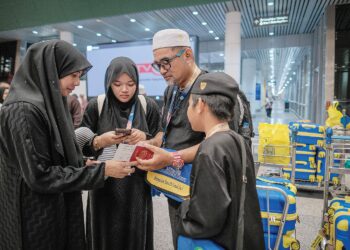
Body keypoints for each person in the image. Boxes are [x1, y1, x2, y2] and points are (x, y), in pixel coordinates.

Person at [0, 40, 135, 250]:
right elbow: (40, 175)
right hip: (32, 216)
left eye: (79, 76)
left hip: (55, 209)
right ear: (51, 71)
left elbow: (52, 154)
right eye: (73, 75)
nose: (77, 82)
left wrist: (83, 163)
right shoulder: (23, 110)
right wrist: (102, 171)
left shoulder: (49, 104)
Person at [175, 72, 264, 250]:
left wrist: (183, 208)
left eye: (189, 105)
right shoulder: (236, 140)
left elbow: (206, 220)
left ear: (200, 105)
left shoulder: (210, 149)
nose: (187, 111)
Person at [80, 57, 162, 250]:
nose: (124, 90)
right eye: (117, 84)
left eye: (130, 84)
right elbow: (82, 142)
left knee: (135, 234)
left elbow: (160, 138)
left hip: (137, 184)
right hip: (104, 184)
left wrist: (145, 138)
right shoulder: (96, 105)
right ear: (109, 82)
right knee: (104, 235)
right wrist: (101, 140)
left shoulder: (147, 105)